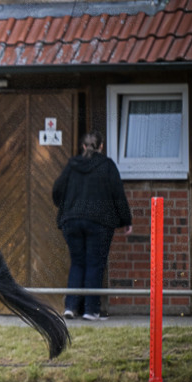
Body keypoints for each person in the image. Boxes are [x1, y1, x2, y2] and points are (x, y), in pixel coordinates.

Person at [52, 132, 132, 321]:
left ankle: (70, 307)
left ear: (83, 147)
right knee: (95, 264)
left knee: (78, 263)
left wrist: (66, 207)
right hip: (99, 222)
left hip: (71, 221)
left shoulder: (72, 166)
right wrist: (126, 220)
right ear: (101, 147)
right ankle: (90, 310)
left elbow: (57, 190)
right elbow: (118, 194)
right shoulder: (107, 166)